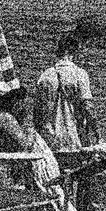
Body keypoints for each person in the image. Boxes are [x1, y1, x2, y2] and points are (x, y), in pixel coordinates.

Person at [33, 25, 98, 156]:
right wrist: (95, 130)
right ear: (73, 52)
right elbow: (88, 107)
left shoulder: (45, 75)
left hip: (49, 140)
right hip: (73, 137)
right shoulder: (79, 74)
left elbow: (37, 112)